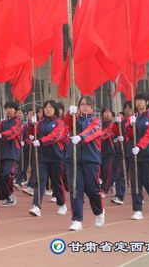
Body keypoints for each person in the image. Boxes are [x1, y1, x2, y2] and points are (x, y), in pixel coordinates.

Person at [63, 96, 104, 231]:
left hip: (90, 159)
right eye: (82, 104)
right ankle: (77, 219)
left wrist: (81, 137)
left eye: (87, 104)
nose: (84, 107)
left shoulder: (96, 120)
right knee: (76, 189)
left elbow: (92, 131)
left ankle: (99, 211)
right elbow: (67, 123)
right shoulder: (75, 118)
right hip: (73, 158)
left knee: (92, 189)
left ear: (92, 107)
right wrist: (69, 113)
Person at [126, 91, 149, 220]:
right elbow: (128, 134)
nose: (139, 103)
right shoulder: (133, 117)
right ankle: (137, 210)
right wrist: (130, 126)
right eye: (137, 100)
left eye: (141, 100)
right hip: (133, 154)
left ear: (147, 102)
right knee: (135, 182)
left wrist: (140, 147)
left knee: (147, 181)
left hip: (147, 153)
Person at [29, 100, 67, 217]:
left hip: (55, 156)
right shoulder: (40, 123)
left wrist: (41, 141)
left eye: (50, 107)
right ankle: (36, 206)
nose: (48, 110)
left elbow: (55, 136)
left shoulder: (59, 123)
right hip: (41, 156)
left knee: (56, 181)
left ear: (55, 110)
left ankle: (61, 203)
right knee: (40, 180)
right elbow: (33, 134)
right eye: (46, 108)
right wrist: (32, 125)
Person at [0, 99, 23, 207]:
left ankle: (11, 194)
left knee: (7, 173)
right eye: (7, 108)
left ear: (15, 110)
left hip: (12, 152)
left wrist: (1, 135)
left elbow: (12, 133)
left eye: (11, 108)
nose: (9, 110)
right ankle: (7, 196)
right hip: (1, 152)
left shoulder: (18, 122)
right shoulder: (2, 123)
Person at [98, 108, 115, 198]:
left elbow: (105, 134)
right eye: (105, 112)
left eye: (109, 112)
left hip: (109, 151)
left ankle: (104, 190)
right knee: (99, 171)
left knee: (107, 172)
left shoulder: (112, 125)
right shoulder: (99, 125)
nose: (108, 114)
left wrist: (96, 135)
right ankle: (110, 185)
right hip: (99, 151)